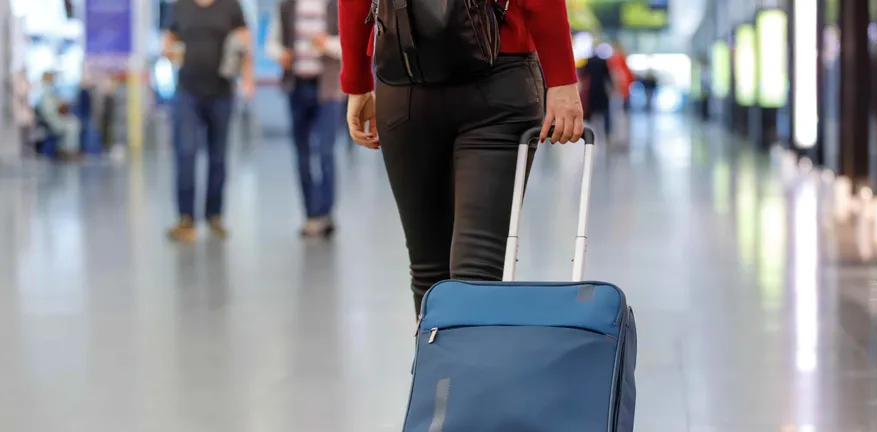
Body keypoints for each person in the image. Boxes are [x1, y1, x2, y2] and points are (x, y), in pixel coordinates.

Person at [339, 0, 585, 313]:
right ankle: (466, 346)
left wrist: (357, 82)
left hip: (405, 68)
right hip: (497, 70)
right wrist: (561, 78)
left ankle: (437, 346)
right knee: (478, 275)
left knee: (429, 275)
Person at [162, 0, 254, 242]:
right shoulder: (180, 6)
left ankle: (214, 215)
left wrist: (247, 78)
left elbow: (245, 44)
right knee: (186, 151)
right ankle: (185, 217)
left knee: (218, 156)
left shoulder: (230, 6)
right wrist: (169, 52)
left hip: (221, 91)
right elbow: (168, 40)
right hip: (187, 91)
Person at [265, 0, 343, 238]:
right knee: (302, 154)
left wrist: (326, 43)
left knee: (326, 150)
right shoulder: (286, 6)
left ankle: (325, 213)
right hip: (297, 87)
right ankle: (310, 215)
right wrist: (281, 55)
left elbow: (351, 45)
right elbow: (271, 44)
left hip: (328, 89)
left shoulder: (336, 5)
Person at [36, 71, 82, 159]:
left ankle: (68, 149)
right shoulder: (45, 92)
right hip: (50, 120)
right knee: (71, 125)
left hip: (54, 118)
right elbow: (48, 113)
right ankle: (68, 151)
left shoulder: (52, 93)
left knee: (73, 120)